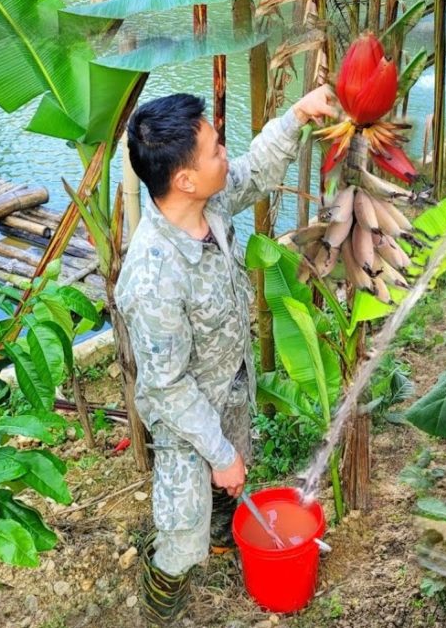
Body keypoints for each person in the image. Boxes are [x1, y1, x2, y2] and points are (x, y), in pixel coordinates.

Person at [117, 87, 336, 626]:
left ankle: (222, 538)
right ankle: (161, 604)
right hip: (185, 419)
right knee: (180, 534)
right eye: (215, 149)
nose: (225, 156)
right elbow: (168, 387)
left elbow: (255, 171)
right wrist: (217, 453)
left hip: (229, 388)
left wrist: (298, 115)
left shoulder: (206, 203)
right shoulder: (153, 275)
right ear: (184, 179)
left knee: (229, 485)